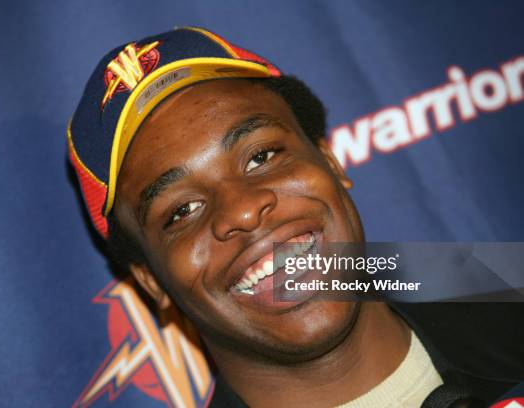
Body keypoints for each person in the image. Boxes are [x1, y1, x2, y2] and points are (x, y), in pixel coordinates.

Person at [68, 27, 524, 407]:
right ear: (150, 280)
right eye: (181, 211)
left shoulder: (501, 286)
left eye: (261, 156)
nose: (243, 210)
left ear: (330, 161)